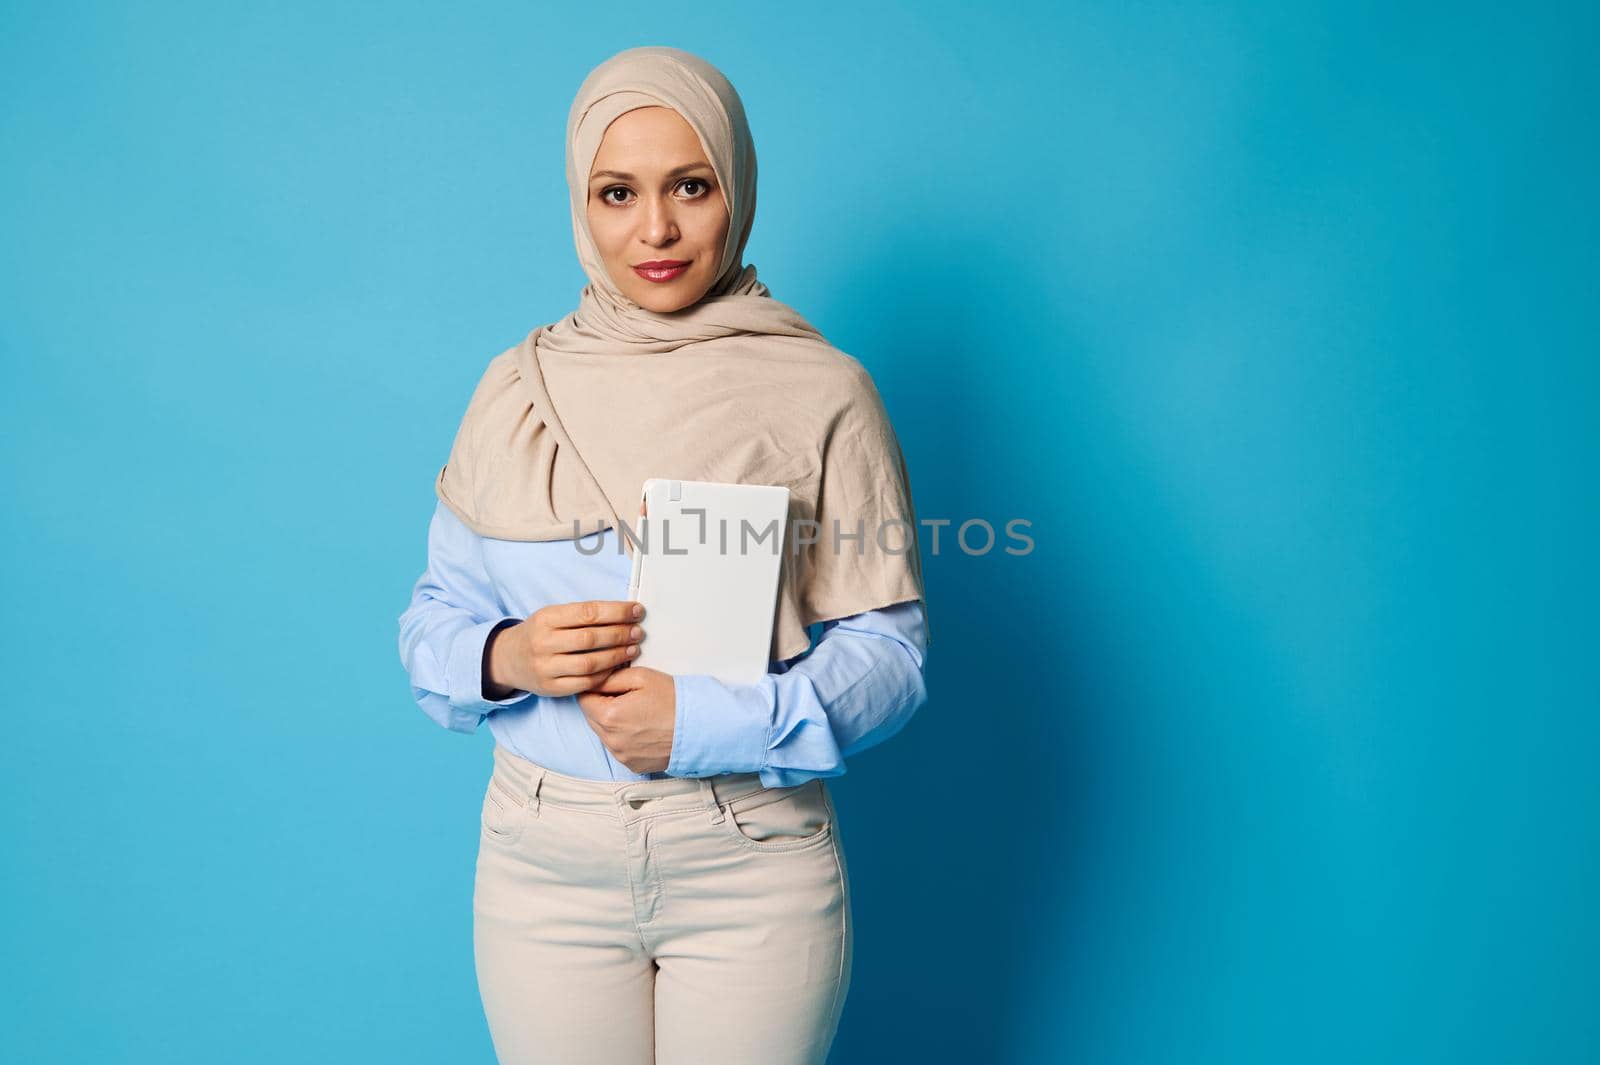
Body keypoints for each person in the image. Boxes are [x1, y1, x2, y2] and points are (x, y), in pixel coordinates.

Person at [397, 45, 932, 1065]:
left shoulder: (823, 390)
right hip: (541, 857)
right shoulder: (516, 389)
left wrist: (709, 722)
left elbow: (891, 655)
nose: (655, 230)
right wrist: (508, 656)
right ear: (580, 204)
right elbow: (432, 620)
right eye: (617, 193)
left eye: (691, 185)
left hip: (749, 852)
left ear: (737, 188)